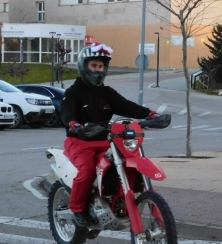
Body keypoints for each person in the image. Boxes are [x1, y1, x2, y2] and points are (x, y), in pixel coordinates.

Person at [60, 43, 158, 227]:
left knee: (126, 159)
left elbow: (128, 106)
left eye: (101, 66)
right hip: (80, 142)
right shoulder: (73, 92)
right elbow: (66, 111)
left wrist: (150, 114)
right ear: (84, 66)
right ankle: (78, 209)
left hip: (106, 141)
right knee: (87, 170)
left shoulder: (107, 93)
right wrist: (73, 124)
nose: (98, 70)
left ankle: (118, 199)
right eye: (94, 65)